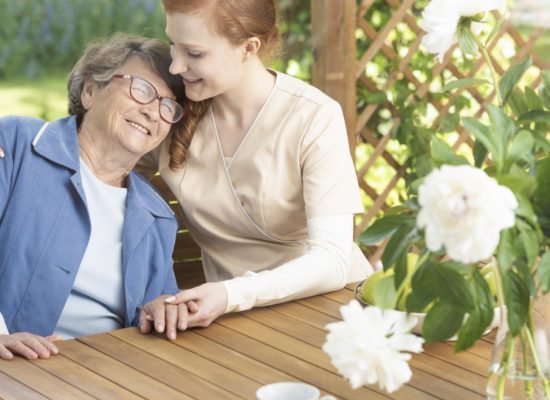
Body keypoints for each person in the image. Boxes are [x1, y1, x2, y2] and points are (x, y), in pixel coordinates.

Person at [139, 0, 373, 339]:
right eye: (173, 46)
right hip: (231, 325)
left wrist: (231, 294)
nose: (175, 66)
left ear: (249, 48)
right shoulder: (171, 111)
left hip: (335, 315)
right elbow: (101, 167)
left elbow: (333, 260)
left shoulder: (313, 117)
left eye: (194, 53)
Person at [0, 34, 196, 360]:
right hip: (18, 371)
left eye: (167, 106)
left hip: (109, 373)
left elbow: (159, 303)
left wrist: (159, 309)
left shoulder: (156, 216)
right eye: (142, 90)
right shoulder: (18, 145)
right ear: (90, 91)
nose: (152, 112)